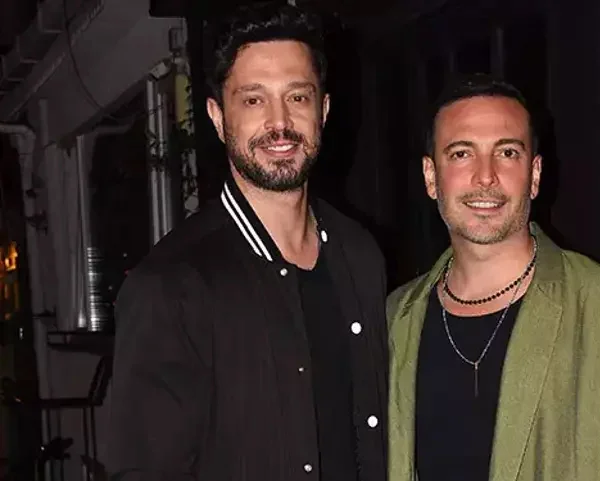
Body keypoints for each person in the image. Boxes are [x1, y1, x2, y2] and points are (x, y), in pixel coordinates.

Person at [105, 4, 388, 481]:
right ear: (218, 118)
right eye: (254, 100)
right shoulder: (171, 285)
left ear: (322, 110)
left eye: (297, 97)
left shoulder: (359, 253)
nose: (280, 122)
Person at [386, 73, 600, 481]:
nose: (486, 176)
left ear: (535, 174)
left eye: (507, 153)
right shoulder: (396, 318)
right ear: (431, 177)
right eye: (461, 154)